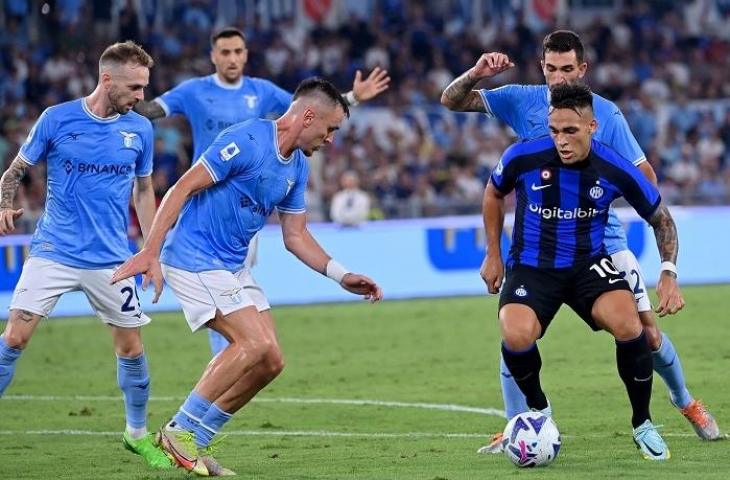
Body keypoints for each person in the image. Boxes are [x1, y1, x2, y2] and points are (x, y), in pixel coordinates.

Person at [440, 29, 720, 452]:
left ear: (582, 69)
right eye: (551, 69)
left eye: (567, 69)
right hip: (540, 239)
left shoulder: (606, 115)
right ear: (542, 68)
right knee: (515, 334)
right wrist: (477, 73)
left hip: (601, 239)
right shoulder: (523, 100)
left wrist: (596, 193)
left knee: (647, 333)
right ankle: (523, 424)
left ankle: (684, 401)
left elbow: (645, 180)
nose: (558, 78)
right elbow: (453, 101)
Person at [110, 77, 383, 476]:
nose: (330, 139)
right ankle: (179, 430)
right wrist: (150, 250)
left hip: (232, 266)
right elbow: (182, 188)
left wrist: (340, 276)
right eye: (330, 128)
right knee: (252, 343)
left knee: (271, 360)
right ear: (308, 115)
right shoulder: (247, 140)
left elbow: (296, 235)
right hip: (194, 257)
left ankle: (195, 441)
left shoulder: (298, 168)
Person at [134, 27, 390, 357]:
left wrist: (352, 98)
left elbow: (309, 112)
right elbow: (150, 112)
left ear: (246, 55)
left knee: (237, 302)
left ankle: (230, 363)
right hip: (206, 201)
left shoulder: (262, 91)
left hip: (248, 211)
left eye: (238, 51)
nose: (232, 58)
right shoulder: (193, 91)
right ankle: (226, 365)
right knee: (233, 312)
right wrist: (118, 100)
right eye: (224, 52)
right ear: (213, 56)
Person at [483, 82, 682, 459]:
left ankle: (643, 424)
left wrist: (668, 272)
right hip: (532, 267)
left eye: (571, 131)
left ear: (592, 127)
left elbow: (662, 219)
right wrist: (492, 253)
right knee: (515, 331)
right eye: (555, 130)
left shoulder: (613, 167)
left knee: (630, 324)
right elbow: (493, 192)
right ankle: (539, 410)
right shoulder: (522, 156)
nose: (561, 140)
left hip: (587, 265)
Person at [0, 41, 171, 469]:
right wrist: (5, 201)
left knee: (131, 350)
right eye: (134, 87)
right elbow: (16, 169)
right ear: (107, 79)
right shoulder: (56, 119)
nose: (141, 97)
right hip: (53, 252)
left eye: (144, 88)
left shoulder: (140, 130)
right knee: (14, 338)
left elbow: (145, 189)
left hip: (113, 259)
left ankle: (136, 435)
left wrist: (151, 252)